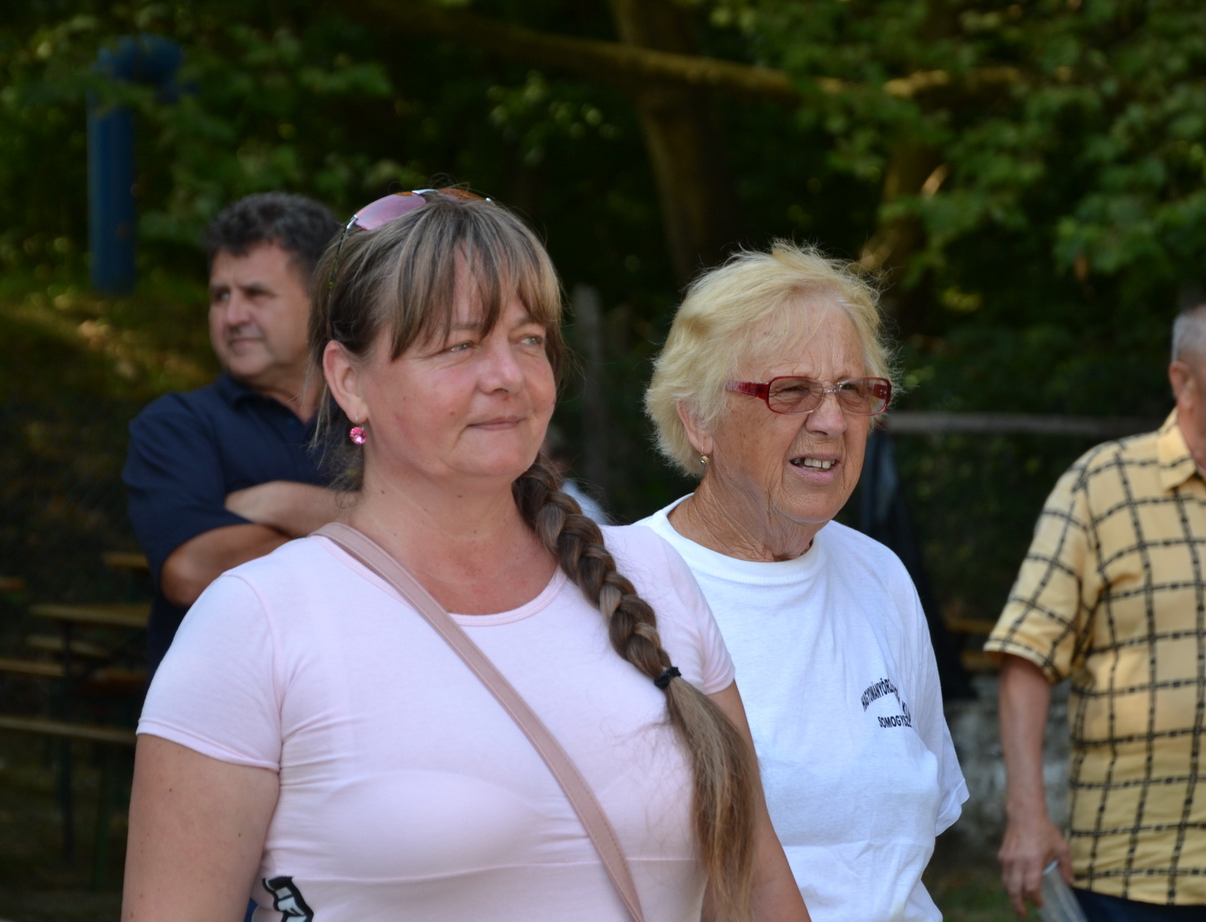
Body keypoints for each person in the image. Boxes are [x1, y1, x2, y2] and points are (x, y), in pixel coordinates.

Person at [122, 189, 809, 922]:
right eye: (459, 345)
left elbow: (759, 886)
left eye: (528, 339)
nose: (507, 375)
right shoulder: (255, 622)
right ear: (349, 381)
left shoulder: (655, 576)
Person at [640, 242, 968, 922]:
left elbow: (902, 848)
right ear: (698, 418)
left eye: (853, 390)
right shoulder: (626, 585)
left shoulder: (880, 577)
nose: (832, 420)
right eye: (789, 390)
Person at [985, 290, 1206, 920]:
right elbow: (1027, 655)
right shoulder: (1104, 486)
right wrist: (1027, 815)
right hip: (1133, 871)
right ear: (1183, 380)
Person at [122, 192, 342, 670]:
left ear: (323, 302)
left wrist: (288, 504)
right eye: (220, 296)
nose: (233, 316)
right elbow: (192, 570)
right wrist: (375, 536)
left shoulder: (379, 417)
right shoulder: (177, 425)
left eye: (256, 294)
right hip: (226, 704)